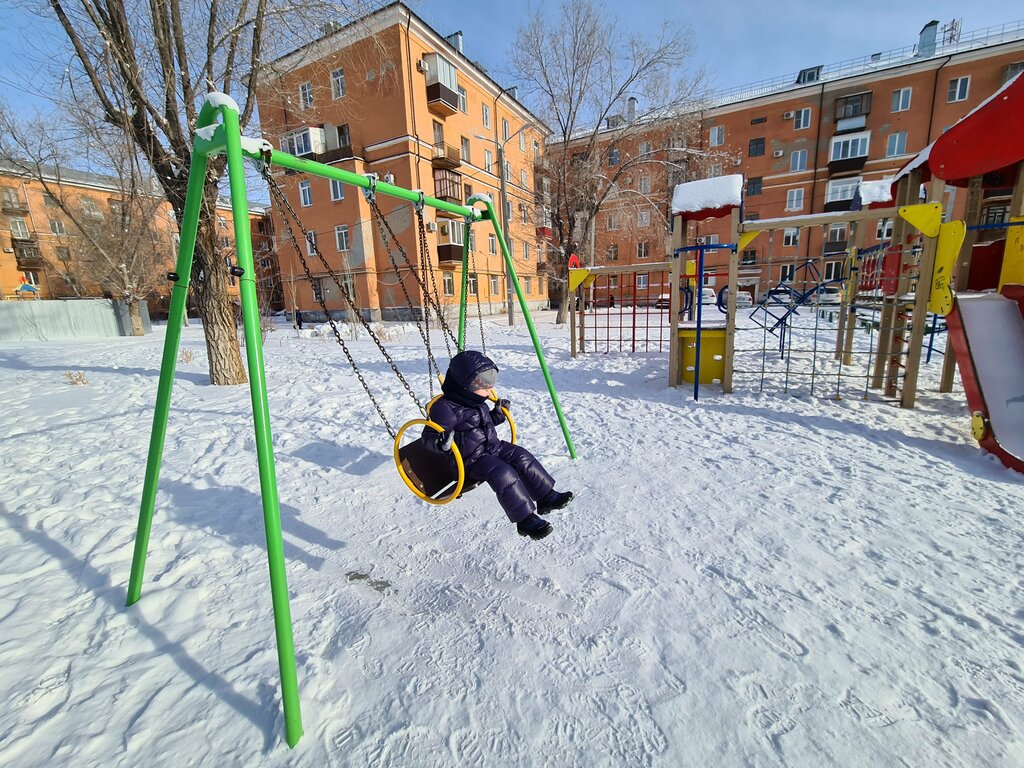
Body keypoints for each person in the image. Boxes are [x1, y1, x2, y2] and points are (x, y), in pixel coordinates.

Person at [423, 350, 573, 540]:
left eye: (491, 381)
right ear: (464, 385)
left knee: (521, 456)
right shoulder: (445, 408)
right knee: (502, 473)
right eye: (483, 383)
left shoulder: (476, 400)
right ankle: (525, 520)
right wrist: (440, 442)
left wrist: (498, 415)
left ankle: (546, 496)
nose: (489, 388)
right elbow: (428, 435)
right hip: (470, 461)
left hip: (493, 448)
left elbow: (483, 425)